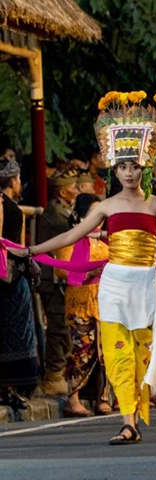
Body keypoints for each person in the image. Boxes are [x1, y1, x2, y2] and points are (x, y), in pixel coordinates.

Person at [10, 91, 156, 444]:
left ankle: (135, 412)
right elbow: (71, 235)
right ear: (115, 170)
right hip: (113, 284)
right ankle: (128, 421)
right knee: (117, 353)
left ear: (144, 168)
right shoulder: (106, 208)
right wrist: (30, 249)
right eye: (123, 167)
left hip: (145, 283)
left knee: (141, 353)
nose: (129, 172)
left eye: (135, 167)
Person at [52, 193, 112, 417]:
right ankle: (73, 398)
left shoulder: (105, 240)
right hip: (80, 302)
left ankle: (102, 398)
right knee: (82, 350)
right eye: (94, 214)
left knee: (104, 351)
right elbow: (60, 270)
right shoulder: (71, 238)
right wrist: (88, 273)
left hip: (104, 301)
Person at [0, 157, 38, 410]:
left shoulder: (10, 203)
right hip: (7, 274)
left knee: (15, 331)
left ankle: (9, 388)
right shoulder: (2, 202)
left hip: (17, 269)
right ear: (13, 180)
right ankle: (6, 387)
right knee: (9, 331)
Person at [38, 169, 79, 396]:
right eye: (74, 186)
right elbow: (73, 233)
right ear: (64, 191)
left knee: (64, 325)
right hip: (53, 278)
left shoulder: (63, 209)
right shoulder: (56, 212)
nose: (76, 189)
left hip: (62, 276)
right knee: (58, 326)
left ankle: (59, 373)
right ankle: (53, 376)